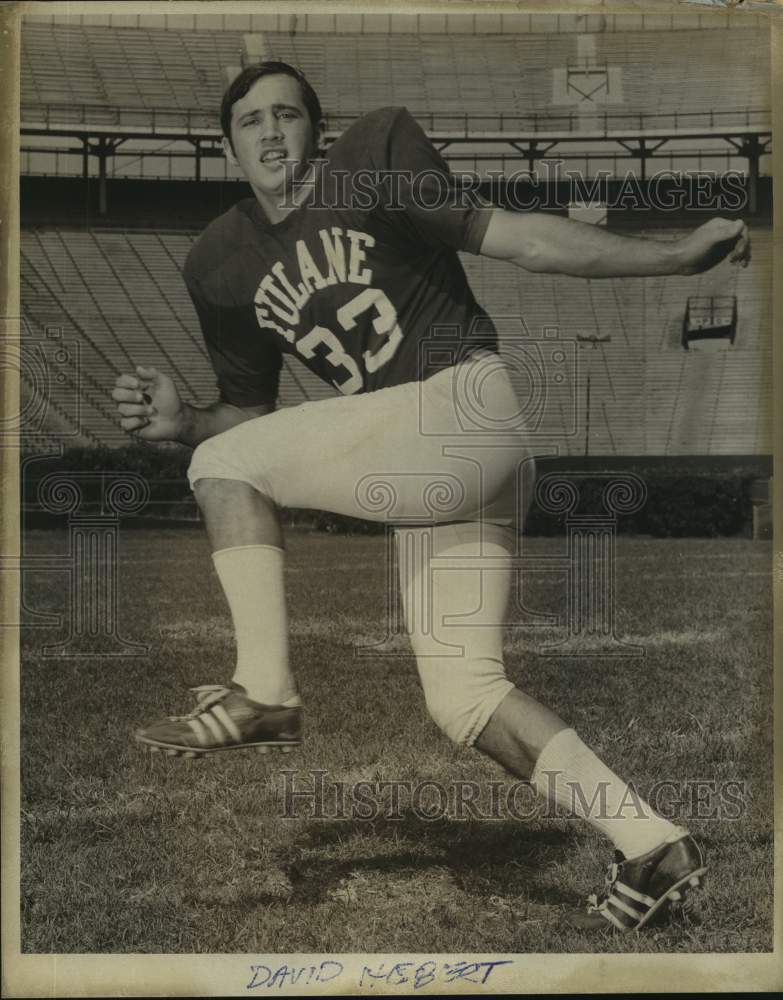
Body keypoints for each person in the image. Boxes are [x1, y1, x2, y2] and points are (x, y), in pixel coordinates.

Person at [111, 62, 750, 932]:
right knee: (464, 695)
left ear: (316, 129)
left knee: (221, 469)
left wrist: (673, 255)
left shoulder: (374, 151)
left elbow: (518, 238)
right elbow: (249, 415)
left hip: (459, 403)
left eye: (288, 116)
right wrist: (186, 418)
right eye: (250, 121)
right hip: (424, 454)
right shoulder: (217, 261)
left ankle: (262, 690)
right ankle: (653, 845)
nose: (270, 133)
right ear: (229, 145)